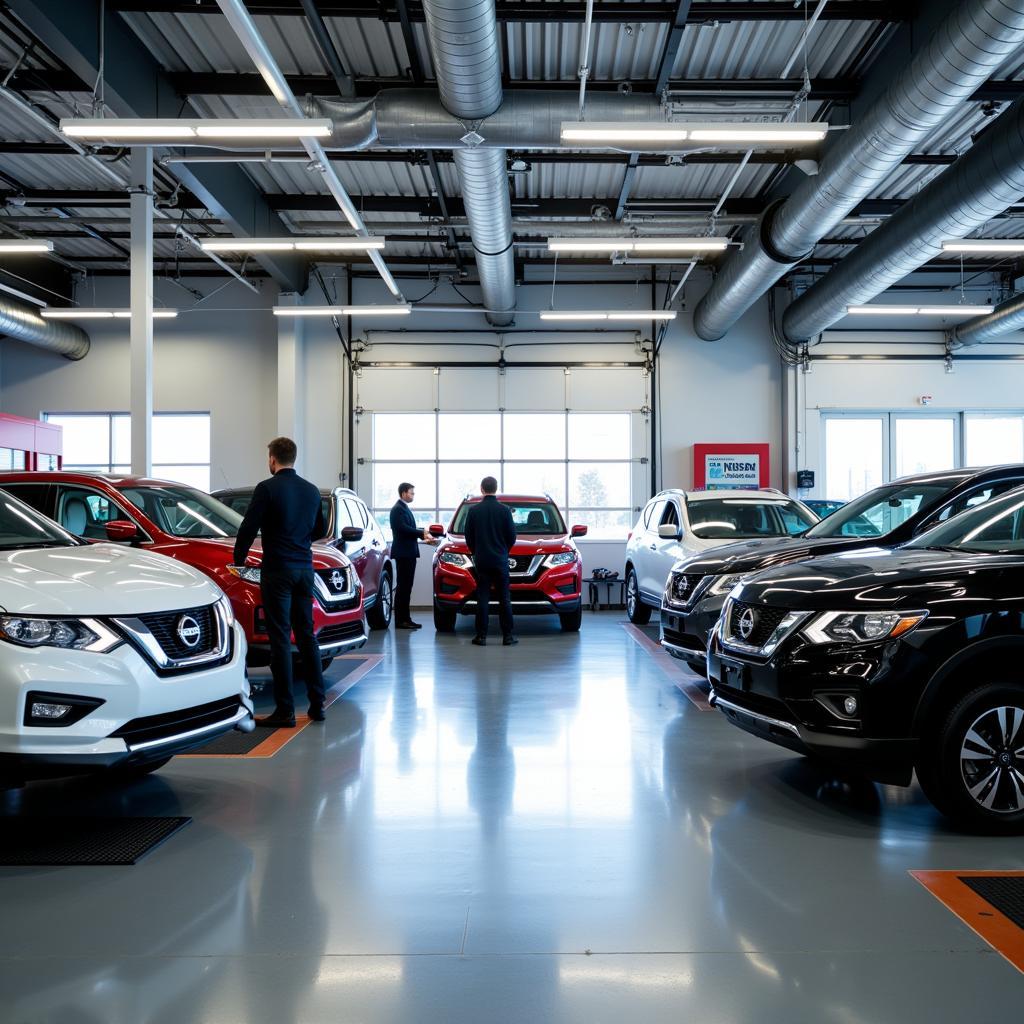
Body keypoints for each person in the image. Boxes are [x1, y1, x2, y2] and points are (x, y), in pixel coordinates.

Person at [233, 437, 327, 728]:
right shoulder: (311, 491)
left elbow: (248, 526)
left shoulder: (267, 488)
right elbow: (320, 529)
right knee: (307, 635)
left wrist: (239, 559)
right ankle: (317, 705)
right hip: (305, 570)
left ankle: (285, 711)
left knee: (281, 639)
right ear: (293, 459)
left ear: (273, 459)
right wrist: (299, 542)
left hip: (278, 571)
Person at [464, 476, 518, 647]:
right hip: (500, 560)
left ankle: (481, 637)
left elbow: (468, 537)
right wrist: (503, 551)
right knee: (504, 598)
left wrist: (476, 551)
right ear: (496, 489)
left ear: (481, 489)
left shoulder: (474, 511)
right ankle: (508, 637)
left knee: (483, 598)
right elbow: (512, 537)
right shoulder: (505, 511)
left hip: (482, 560)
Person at [390, 482, 431, 630]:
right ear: (403, 493)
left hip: (408, 552)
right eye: (411, 493)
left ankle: (406, 618)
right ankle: (401, 620)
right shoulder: (397, 509)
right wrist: (421, 533)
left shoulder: (403, 508)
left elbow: (409, 529)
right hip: (404, 553)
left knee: (407, 587)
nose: (413, 495)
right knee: (403, 587)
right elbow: (402, 528)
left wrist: (423, 533)